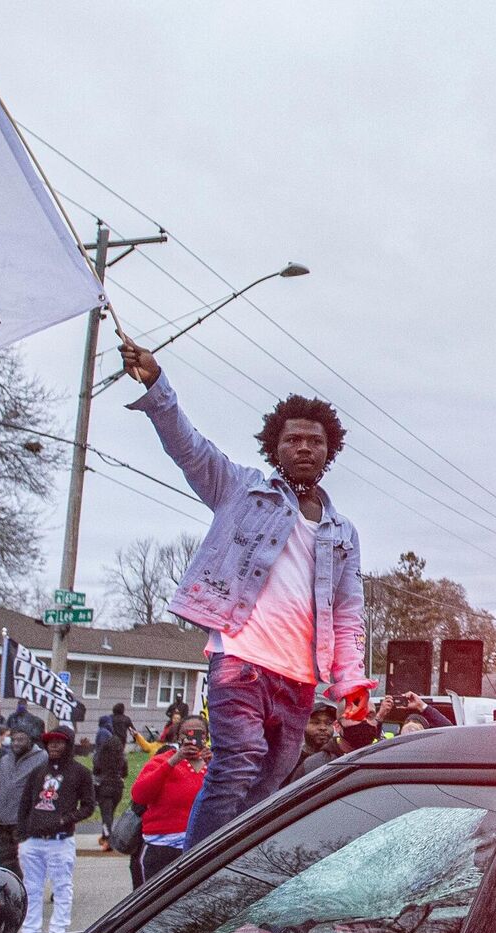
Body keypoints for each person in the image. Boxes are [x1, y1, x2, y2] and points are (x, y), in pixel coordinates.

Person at [120, 339, 367, 849]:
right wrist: (156, 384)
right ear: (275, 447)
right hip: (241, 660)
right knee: (238, 761)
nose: (304, 448)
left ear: (330, 451)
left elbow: (347, 615)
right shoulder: (241, 489)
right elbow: (189, 447)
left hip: (300, 679)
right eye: (293, 439)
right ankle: (190, 879)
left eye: (315, 441)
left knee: (269, 783)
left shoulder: (343, 532)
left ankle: (228, 875)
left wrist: (351, 681)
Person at [16, 727, 95, 933]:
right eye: (50, 742)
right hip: (32, 841)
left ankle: (58, 932)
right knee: (32, 889)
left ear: (68, 745)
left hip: (60, 841)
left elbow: (88, 806)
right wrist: (22, 836)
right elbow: (24, 804)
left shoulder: (80, 773)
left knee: (62, 887)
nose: (54, 746)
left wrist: (64, 820)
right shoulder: (37, 772)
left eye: (59, 742)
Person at [128, 714, 210, 887]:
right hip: (161, 851)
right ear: (178, 737)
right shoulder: (162, 761)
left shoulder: (215, 765)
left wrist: (215, 767)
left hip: (201, 848)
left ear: (207, 737)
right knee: (153, 904)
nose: (193, 738)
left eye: (199, 734)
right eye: (187, 733)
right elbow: (139, 795)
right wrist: (174, 760)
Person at [0, 727, 45, 878]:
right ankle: (10, 892)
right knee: (4, 862)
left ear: (30, 740)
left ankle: (27, 892)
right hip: (2, 820)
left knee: (27, 862)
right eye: (13, 739)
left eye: (21, 739)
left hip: (24, 820)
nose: (16, 743)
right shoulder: (5, 760)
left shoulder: (42, 758)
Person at [91, 706, 130, 849]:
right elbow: (125, 773)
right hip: (118, 788)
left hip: (105, 787)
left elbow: (96, 770)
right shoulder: (122, 759)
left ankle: (108, 839)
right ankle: (104, 835)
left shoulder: (102, 757)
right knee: (111, 813)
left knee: (106, 814)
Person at [287, 702, 342, 783]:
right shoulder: (290, 759)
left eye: (328, 723)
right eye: (316, 722)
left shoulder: (339, 758)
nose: (323, 728)